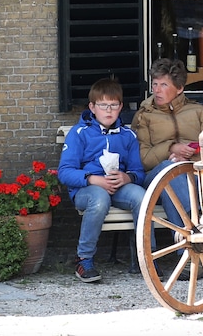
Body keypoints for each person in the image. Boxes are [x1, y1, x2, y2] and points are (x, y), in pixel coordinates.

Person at [58, 77, 146, 283]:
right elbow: (64, 172)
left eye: (113, 105)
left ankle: (147, 257)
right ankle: (84, 259)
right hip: (87, 191)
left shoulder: (128, 135)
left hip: (118, 188)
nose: (108, 110)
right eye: (103, 105)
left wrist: (127, 177)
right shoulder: (79, 133)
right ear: (92, 107)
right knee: (99, 198)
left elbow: (138, 172)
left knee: (142, 196)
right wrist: (91, 179)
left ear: (120, 107)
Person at [132, 58, 203, 228]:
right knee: (170, 170)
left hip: (193, 175)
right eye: (155, 84)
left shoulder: (199, 112)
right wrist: (171, 148)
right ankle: (196, 219)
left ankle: (185, 245)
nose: (157, 90)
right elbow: (143, 159)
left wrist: (188, 159)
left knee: (172, 184)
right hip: (155, 178)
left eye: (163, 85)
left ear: (179, 88)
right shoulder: (145, 115)